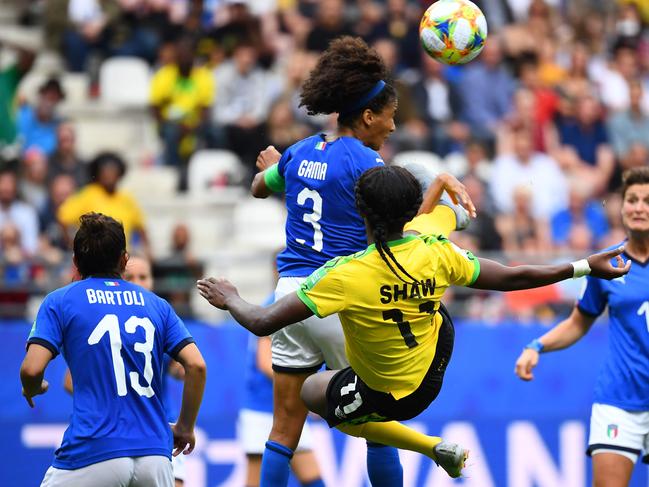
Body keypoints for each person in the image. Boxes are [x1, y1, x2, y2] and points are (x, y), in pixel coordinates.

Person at [198, 165, 629, 480]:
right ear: (409, 212)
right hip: (434, 366)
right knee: (366, 388)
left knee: (315, 392)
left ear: (360, 213)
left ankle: (430, 449)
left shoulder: (344, 275)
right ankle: (432, 446)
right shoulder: (433, 245)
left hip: (388, 393)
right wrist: (582, 265)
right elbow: (513, 274)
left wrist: (230, 298)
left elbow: (262, 321)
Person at [248, 36, 473, 487]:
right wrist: (445, 197)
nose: (392, 127)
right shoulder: (368, 165)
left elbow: (258, 186)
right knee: (377, 429)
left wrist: (278, 168)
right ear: (368, 116)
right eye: (389, 117)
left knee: (283, 430)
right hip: (341, 296)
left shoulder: (301, 150)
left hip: (290, 294)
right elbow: (407, 229)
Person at [20, 212, 206, 487]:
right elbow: (197, 366)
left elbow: (32, 368)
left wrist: (33, 386)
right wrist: (185, 427)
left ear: (75, 262)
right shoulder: (157, 305)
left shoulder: (60, 301)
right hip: (155, 455)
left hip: (93, 449)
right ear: (124, 259)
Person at [514, 166, 649, 487]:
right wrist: (537, 346)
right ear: (621, 207)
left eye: (646, 200)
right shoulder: (606, 263)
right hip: (618, 401)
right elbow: (578, 322)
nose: (639, 207)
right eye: (632, 199)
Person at [63, 253, 189, 487]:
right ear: (119, 278)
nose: (139, 283)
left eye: (144, 276)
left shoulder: (160, 316)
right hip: (128, 433)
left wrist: (178, 370)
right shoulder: (121, 320)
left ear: (153, 280)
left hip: (158, 428)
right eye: (131, 276)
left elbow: (180, 366)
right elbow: (70, 381)